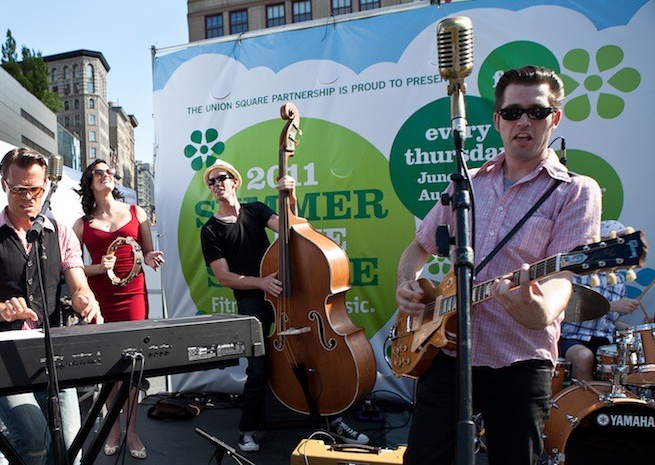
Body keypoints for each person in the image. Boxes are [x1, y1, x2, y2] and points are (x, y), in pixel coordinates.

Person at [395, 66, 602, 465]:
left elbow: (563, 275)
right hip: (448, 352)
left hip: (519, 359)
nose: (523, 122)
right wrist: (408, 282)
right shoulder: (465, 184)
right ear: (497, 120)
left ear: (554, 118)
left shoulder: (576, 191)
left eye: (536, 112)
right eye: (512, 112)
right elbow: (416, 249)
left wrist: (542, 310)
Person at [200, 159, 369, 452]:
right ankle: (249, 429)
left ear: (235, 181)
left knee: (319, 358)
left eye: (221, 178)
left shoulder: (256, 210)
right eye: (211, 182)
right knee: (259, 368)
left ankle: (334, 421)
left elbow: (293, 231)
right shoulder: (211, 230)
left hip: (287, 295)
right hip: (252, 297)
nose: (217, 185)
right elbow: (224, 277)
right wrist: (261, 283)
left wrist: (290, 197)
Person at [0, 147, 103, 465]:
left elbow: (79, 285)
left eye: (35, 189)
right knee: (34, 437)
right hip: (2, 354)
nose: (28, 197)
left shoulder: (61, 232)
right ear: (3, 185)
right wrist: (2, 309)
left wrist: (86, 300)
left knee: (69, 446)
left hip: (51, 356)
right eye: (18, 189)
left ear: (45, 185)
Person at [71, 159, 164, 459]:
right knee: (109, 367)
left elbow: (147, 253)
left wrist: (150, 259)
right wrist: (97, 267)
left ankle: (132, 430)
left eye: (109, 172)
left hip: (133, 294)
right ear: (89, 182)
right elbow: (71, 267)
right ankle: (113, 428)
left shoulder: (137, 213)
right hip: (100, 299)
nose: (106, 175)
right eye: (98, 172)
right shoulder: (81, 224)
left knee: (133, 366)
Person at [559, 220, 639, 382]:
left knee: (629, 360)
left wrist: (636, 331)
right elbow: (568, 308)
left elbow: (611, 322)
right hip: (571, 337)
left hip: (604, 341)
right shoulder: (578, 272)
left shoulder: (619, 280)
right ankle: (584, 404)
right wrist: (612, 306)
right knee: (583, 357)